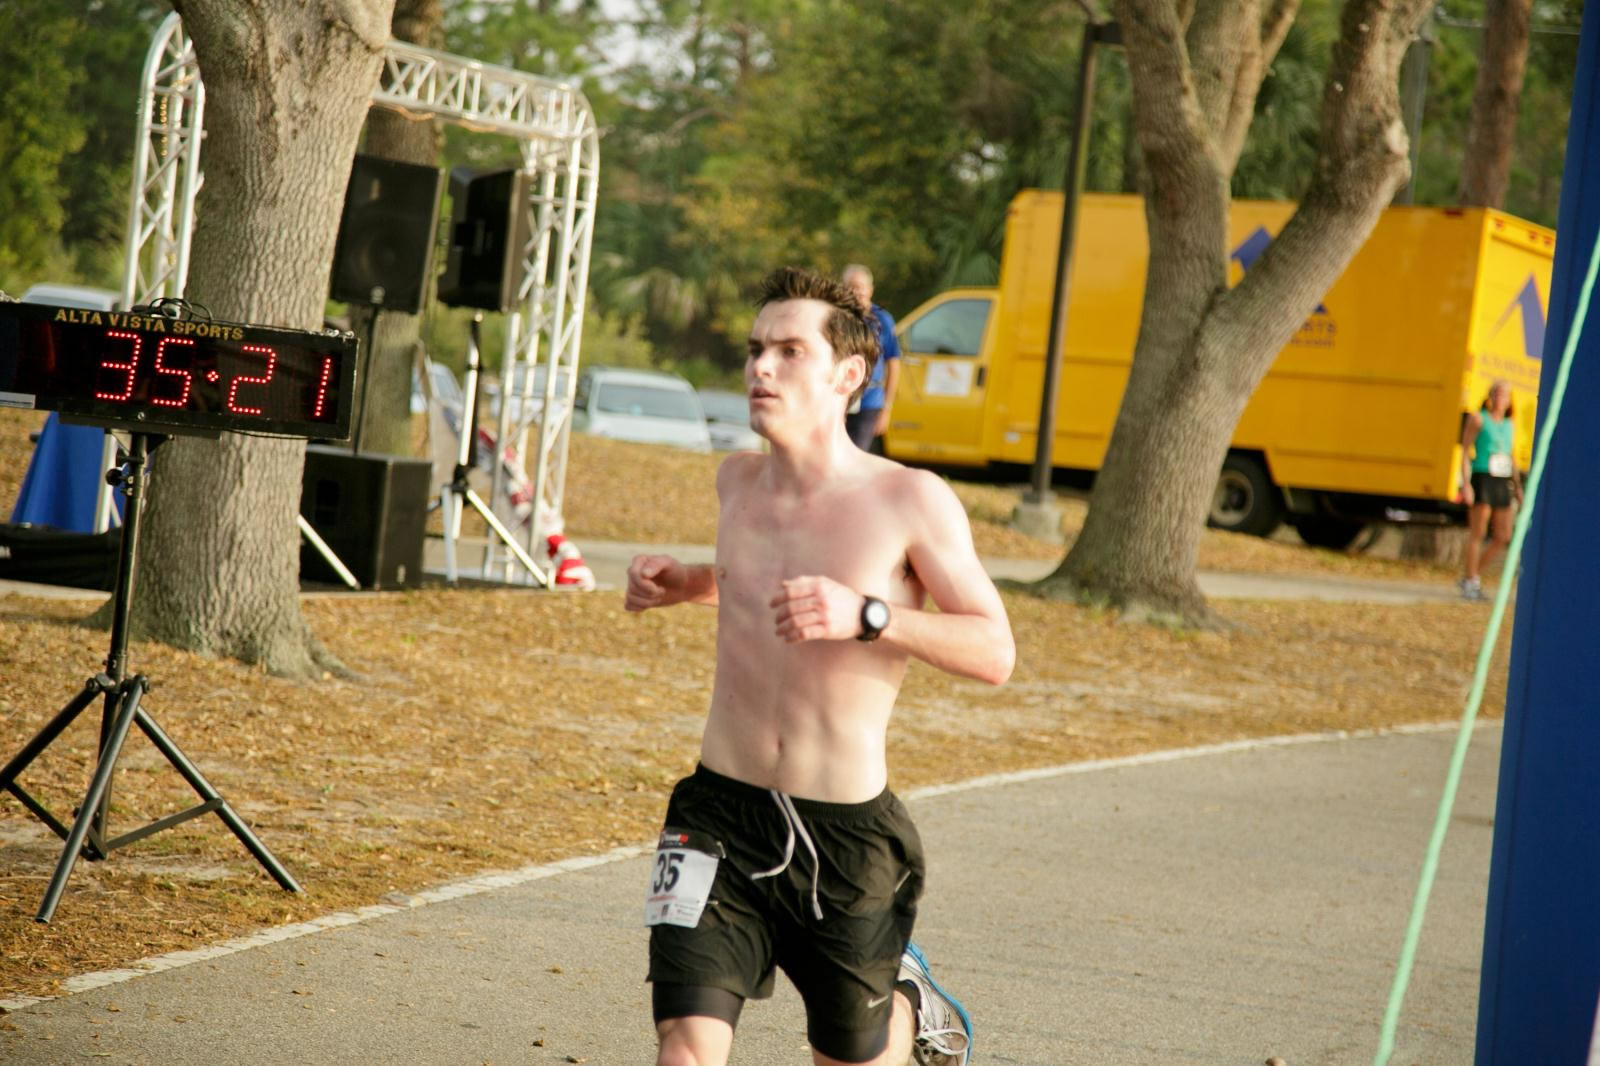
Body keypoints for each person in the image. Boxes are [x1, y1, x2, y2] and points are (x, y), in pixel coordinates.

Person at [626, 266, 1015, 1066]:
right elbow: (751, 582)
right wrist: (686, 583)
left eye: (789, 351)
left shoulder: (910, 499)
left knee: (849, 1058)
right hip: (718, 816)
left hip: (846, 838)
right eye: (755, 349)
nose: (761, 368)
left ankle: (905, 1007)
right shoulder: (736, 482)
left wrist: (869, 616)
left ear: (848, 375)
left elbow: (994, 651)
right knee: (684, 1051)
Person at [1459, 379, 1523, 601]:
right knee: (1478, 532)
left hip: (1502, 479)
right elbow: (1465, 451)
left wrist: (1518, 487)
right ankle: (1470, 581)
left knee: (1503, 535)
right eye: (1496, 394)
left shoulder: (1509, 424)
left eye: (1504, 395)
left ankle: (1472, 573)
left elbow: (1511, 456)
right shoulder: (1479, 419)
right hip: (1483, 476)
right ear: (1490, 396)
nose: (1500, 399)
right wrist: (1466, 484)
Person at [841, 264, 901, 453]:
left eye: (860, 287)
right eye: (850, 287)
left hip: (870, 399)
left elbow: (894, 364)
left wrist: (887, 409)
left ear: (870, 289)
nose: (855, 292)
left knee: (857, 453)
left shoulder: (883, 320)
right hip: (840, 396)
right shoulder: (836, 317)